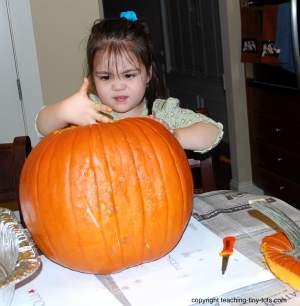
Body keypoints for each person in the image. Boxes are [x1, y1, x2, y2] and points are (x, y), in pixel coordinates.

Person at [36, 11, 223, 153]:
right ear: (92, 78)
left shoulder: (162, 114)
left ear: (148, 74)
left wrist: (173, 135)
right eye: (106, 77)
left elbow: (213, 132)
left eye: (129, 75)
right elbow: (42, 126)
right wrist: (63, 111)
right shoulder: (90, 113)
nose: (118, 86)